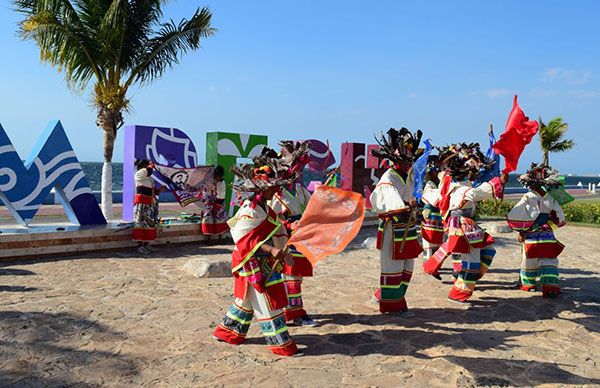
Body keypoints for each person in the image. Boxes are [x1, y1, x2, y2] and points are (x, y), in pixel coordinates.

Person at [213, 142, 310, 357]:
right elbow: (242, 239)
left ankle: (227, 331)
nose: (276, 191)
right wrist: (271, 250)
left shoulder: (265, 206)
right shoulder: (250, 209)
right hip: (250, 260)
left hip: (265, 259)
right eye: (272, 187)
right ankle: (281, 345)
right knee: (268, 301)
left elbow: (277, 229)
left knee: (245, 300)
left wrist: (285, 248)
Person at [432, 143, 507, 303]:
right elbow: (475, 194)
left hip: (465, 223)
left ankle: (461, 278)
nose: (476, 171)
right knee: (471, 258)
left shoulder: (459, 184)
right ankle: (459, 292)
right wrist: (498, 182)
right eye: (473, 168)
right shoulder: (459, 187)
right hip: (461, 224)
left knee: (487, 250)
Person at [370, 128, 424, 315]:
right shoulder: (388, 178)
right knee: (393, 268)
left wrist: (414, 204)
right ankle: (393, 307)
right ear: (396, 160)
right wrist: (406, 205)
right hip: (393, 230)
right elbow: (387, 204)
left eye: (411, 161)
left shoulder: (408, 176)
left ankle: (383, 294)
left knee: (407, 268)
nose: (409, 164)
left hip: (407, 229)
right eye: (405, 161)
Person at [269, 141, 317, 326]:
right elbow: (271, 219)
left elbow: (311, 208)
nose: (298, 174)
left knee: (296, 276)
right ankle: (295, 314)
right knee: (289, 276)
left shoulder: (300, 190)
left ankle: (292, 310)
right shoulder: (276, 194)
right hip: (284, 240)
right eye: (295, 170)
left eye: (299, 170)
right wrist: (288, 225)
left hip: (299, 238)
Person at [506, 163, 566, 298]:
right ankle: (550, 286)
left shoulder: (528, 197)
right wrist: (550, 225)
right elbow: (560, 217)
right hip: (547, 232)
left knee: (529, 258)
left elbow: (518, 215)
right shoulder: (551, 197)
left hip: (531, 231)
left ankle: (528, 284)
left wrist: (521, 231)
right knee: (548, 257)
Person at [133, 159, 166, 254]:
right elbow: (149, 170)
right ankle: (140, 246)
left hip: (149, 204)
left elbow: (153, 191)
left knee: (149, 225)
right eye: (147, 165)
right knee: (140, 224)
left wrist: (160, 190)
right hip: (141, 203)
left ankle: (147, 245)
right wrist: (151, 165)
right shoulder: (139, 173)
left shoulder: (149, 179)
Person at [200, 165, 229, 235]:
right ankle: (208, 238)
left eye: (220, 176)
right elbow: (204, 192)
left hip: (219, 202)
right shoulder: (208, 180)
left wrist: (217, 207)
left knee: (220, 218)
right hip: (208, 201)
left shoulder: (222, 183)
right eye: (217, 176)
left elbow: (221, 196)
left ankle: (220, 238)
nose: (218, 177)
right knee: (207, 218)